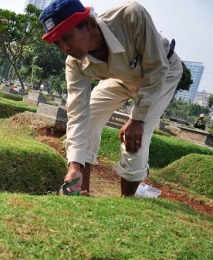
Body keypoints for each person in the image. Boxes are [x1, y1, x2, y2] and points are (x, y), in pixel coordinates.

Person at [39, 0, 182, 196]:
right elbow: (78, 113)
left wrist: (137, 118)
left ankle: (126, 200)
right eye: (57, 43)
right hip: (121, 77)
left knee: (135, 138)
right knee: (88, 119)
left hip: (162, 72)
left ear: (87, 24)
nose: (65, 48)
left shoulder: (131, 16)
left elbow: (156, 68)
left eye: (67, 37)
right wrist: (74, 165)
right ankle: (82, 191)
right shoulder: (74, 63)